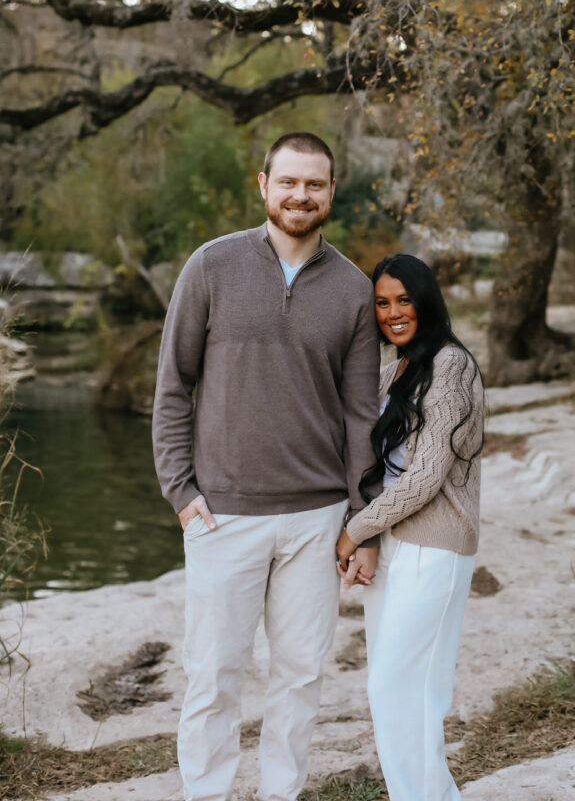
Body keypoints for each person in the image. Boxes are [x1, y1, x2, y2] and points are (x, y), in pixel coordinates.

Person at [152, 131, 380, 801]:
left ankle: (282, 793)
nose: (299, 195)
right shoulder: (211, 266)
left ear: (331, 191)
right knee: (213, 675)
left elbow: (360, 415)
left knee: (300, 676)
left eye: (313, 184)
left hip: (317, 518)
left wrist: (362, 523)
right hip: (223, 514)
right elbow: (173, 385)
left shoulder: (354, 289)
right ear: (263, 185)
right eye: (288, 182)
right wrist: (180, 491)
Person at [336, 253, 483, 801]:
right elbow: (375, 468)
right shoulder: (390, 372)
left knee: (399, 689)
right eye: (382, 303)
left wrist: (355, 530)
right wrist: (370, 539)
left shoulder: (452, 365)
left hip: (435, 545)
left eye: (404, 300)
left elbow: (425, 477)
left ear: (426, 301)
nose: (393, 312)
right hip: (393, 544)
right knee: (401, 692)